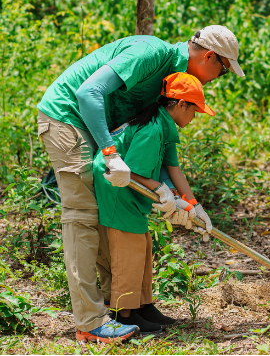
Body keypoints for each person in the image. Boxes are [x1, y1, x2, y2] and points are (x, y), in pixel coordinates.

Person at [37, 25, 244, 343]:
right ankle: (90, 322)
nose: (219, 77)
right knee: (82, 218)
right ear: (209, 56)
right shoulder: (151, 53)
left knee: (106, 214)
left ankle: (121, 310)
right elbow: (86, 93)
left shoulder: (169, 83)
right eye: (224, 70)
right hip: (68, 118)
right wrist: (110, 153)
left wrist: (184, 201)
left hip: (96, 129)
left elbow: (149, 146)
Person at [93, 72, 215, 334]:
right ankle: (124, 315)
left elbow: (173, 168)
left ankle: (143, 306)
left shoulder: (165, 125)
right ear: (181, 105)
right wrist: (160, 189)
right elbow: (132, 171)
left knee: (144, 243)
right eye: (195, 111)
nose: (195, 118)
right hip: (116, 187)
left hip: (130, 188)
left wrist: (193, 205)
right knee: (129, 247)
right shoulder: (152, 129)